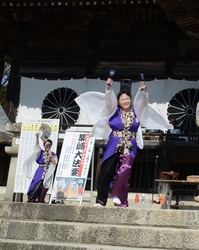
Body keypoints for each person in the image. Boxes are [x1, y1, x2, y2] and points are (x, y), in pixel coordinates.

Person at [77, 76, 170, 207]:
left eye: (127, 99)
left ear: (131, 100)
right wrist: (108, 89)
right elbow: (109, 101)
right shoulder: (113, 111)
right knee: (106, 171)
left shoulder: (136, 112)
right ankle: (101, 201)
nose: (125, 101)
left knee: (126, 169)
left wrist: (143, 92)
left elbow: (143, 103)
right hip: (114, 142)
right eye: (122, 99)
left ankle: (116, 194)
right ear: (118, 102)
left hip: (130, 144)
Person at [26, 132, 57, 204]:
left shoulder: (53, 154)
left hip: (48, 171)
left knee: (45, 185)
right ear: (44, 145)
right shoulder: (41, 152)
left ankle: (41, 199)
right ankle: (32, 198)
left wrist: (50, 155)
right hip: (40, 170)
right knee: (36, 183)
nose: (48, 147)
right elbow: (37, 146)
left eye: (49, 145)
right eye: (46, 145)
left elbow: (54, 163)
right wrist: (37, 137)